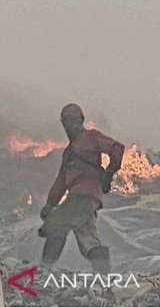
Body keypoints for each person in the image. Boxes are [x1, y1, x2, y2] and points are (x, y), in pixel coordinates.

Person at [38, 103, 125, 274]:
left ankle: (44, 270)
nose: (69, 124)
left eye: (73, 119)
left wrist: (108, 173)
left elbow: (117, 148)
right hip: (84, 200)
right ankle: (103, 277)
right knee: (89, 242)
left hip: (83, 196)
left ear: (81, 120)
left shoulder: (91, 137)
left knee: (56, 224)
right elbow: (61, 182)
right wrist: (50, 203)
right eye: (66, 121)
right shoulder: (69, 153)